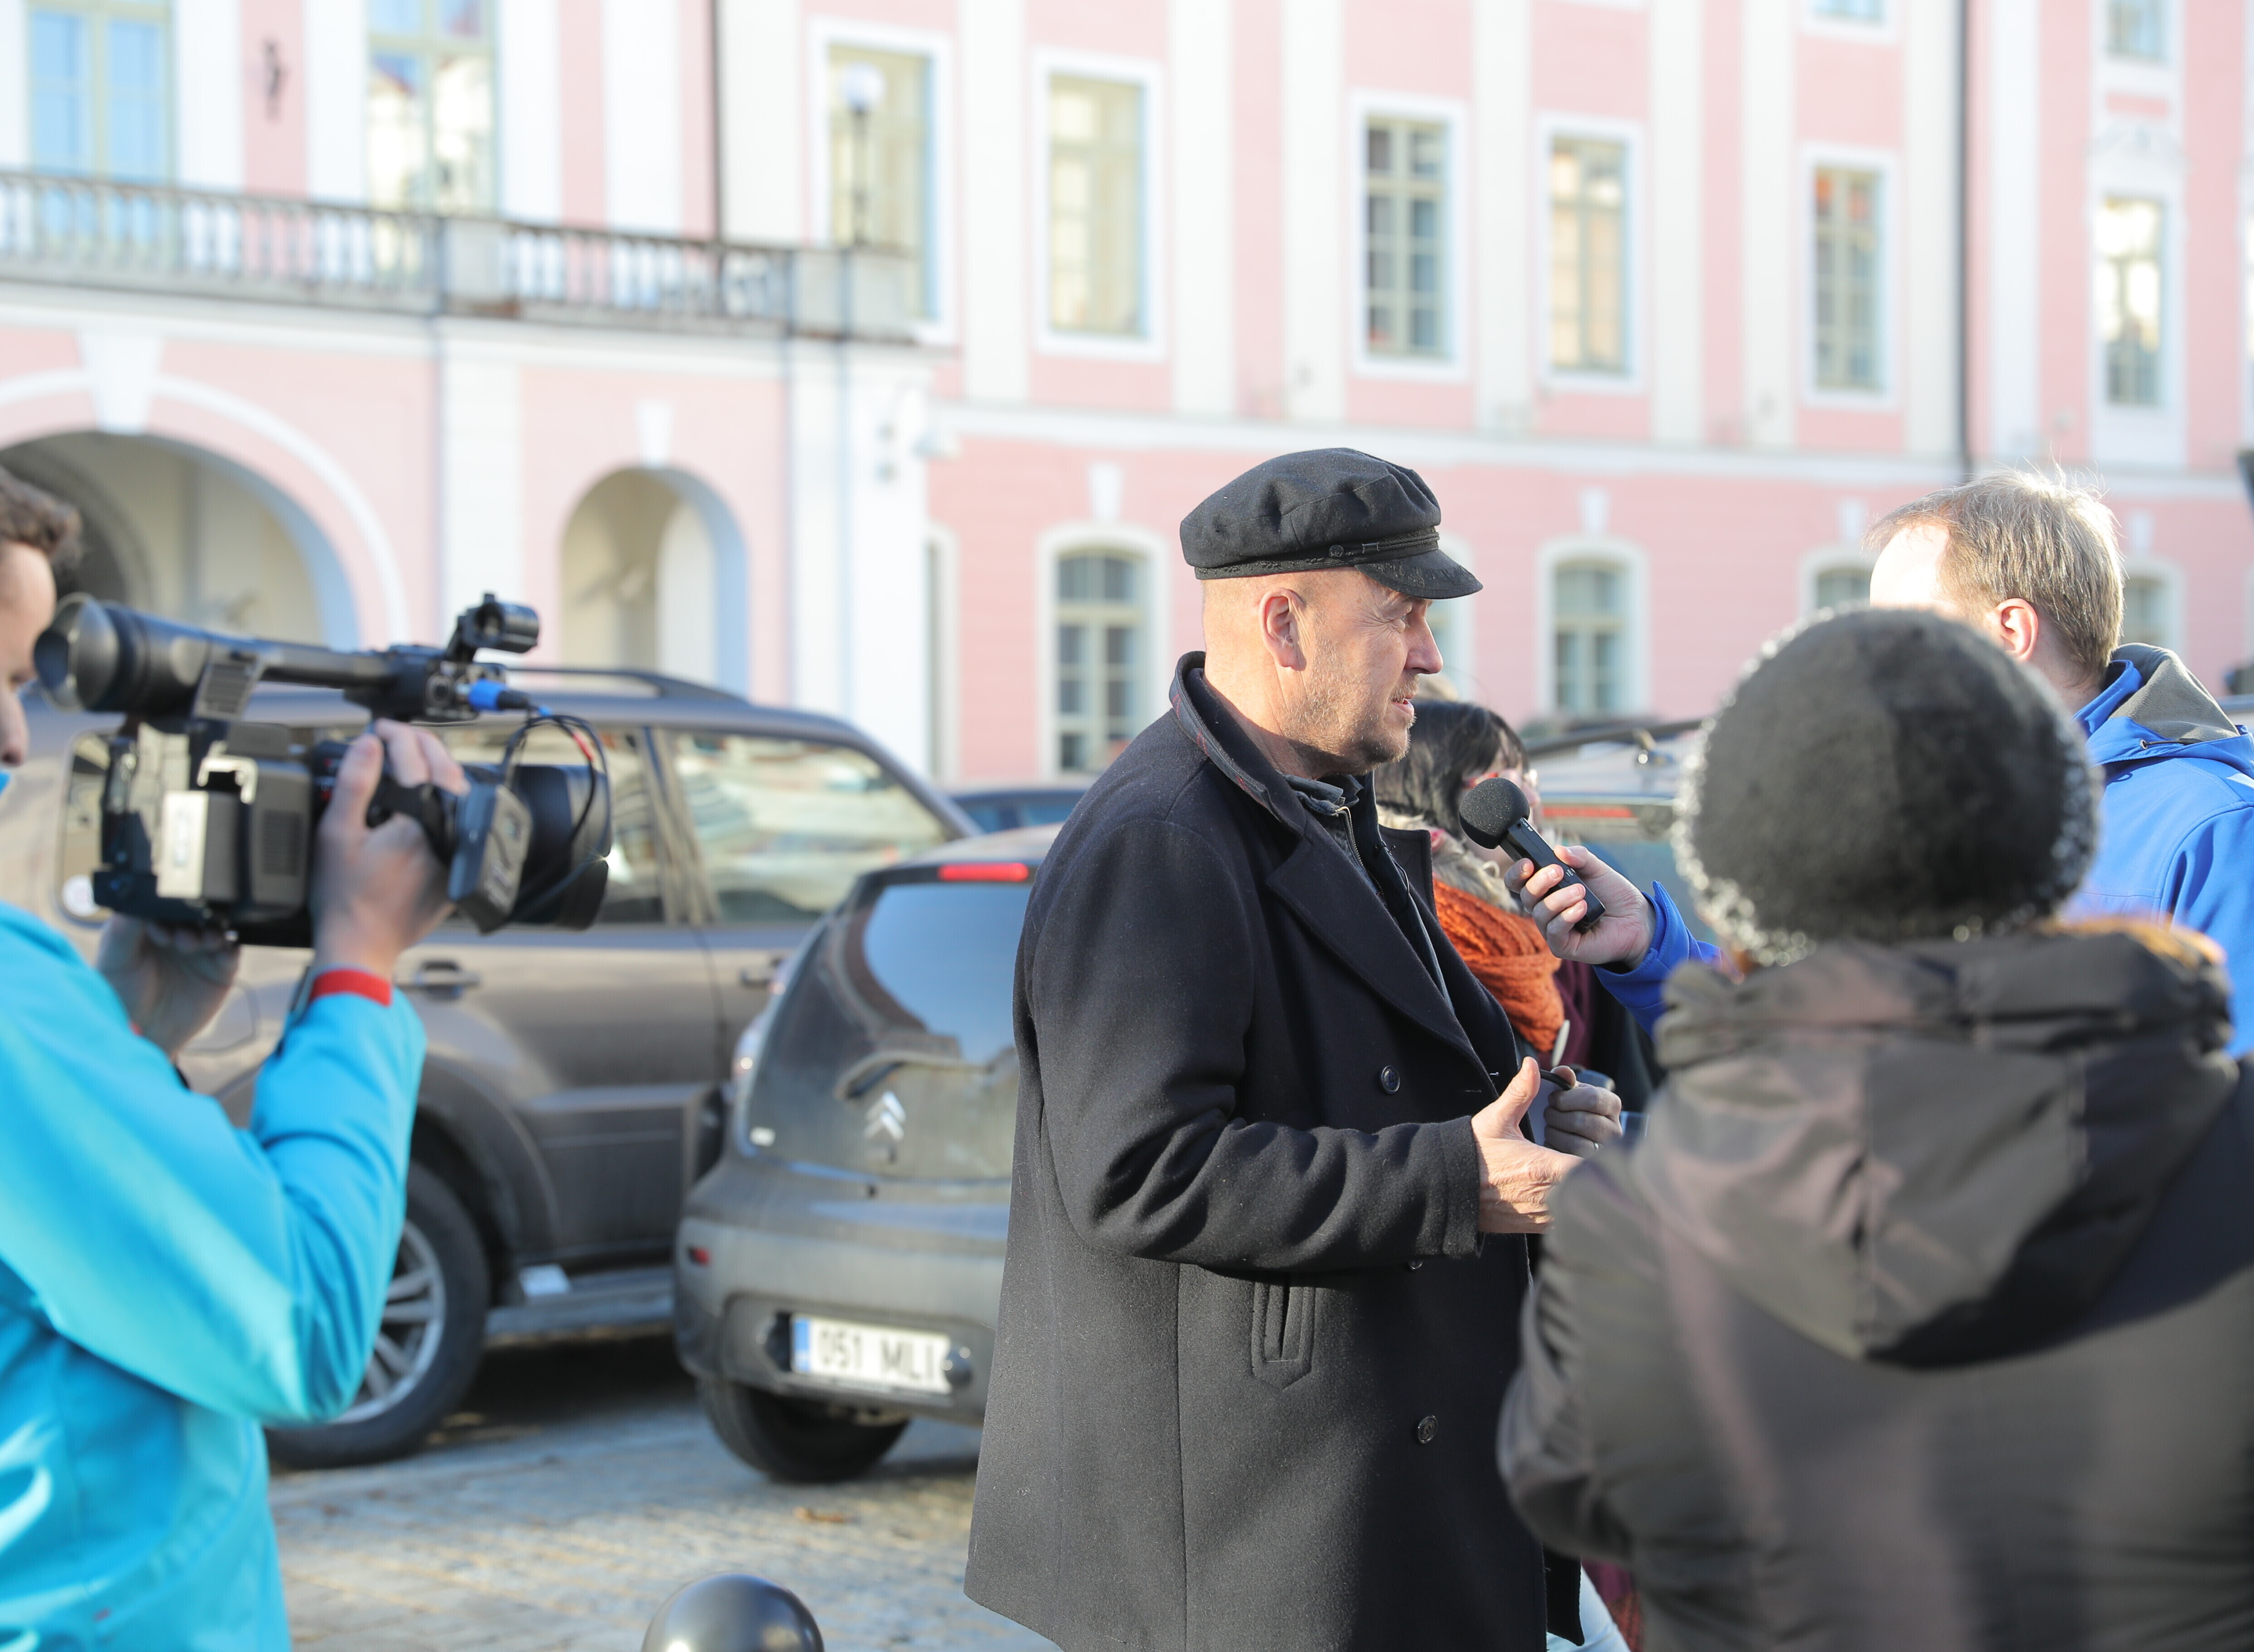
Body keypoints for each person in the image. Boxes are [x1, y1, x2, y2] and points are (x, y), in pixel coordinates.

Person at [0, 409, 463, 1647]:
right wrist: (359, 968)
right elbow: (304, 1326)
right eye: (7, 677)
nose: (13, 737)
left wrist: (120, 1038)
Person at [965, 449, 1623, 1652]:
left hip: (1376, 1506)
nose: (1431, 655)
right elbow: (1139, 1169)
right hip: (1261, 1547)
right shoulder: (1163, 835)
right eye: (1401, 616)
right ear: (1285, 625)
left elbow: (1371, 1079)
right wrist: (1458, 1180)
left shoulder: (1321, 802)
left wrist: (1537, 1118)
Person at [1498, 607, 2254, 1650]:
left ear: (1748, 883)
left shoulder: (1653, 1209)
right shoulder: (2220, 1137)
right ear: (2058, 843)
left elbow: (1567, 1483)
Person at [1516, 471, 2254, 1057]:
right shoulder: (1932, 803)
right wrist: (1648, 945)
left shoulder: (2214, 826)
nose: (1875, 667)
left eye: (1900, 632)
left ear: (2010, 631)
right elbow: (1817, 1037)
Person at [1374, 700, 1656, 1113]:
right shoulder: (1402, 935)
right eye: (1505, 781)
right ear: (1426, 790)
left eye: (1529, 778)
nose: (1532, 799)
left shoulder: (1569, 926)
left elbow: (1637, 1088)